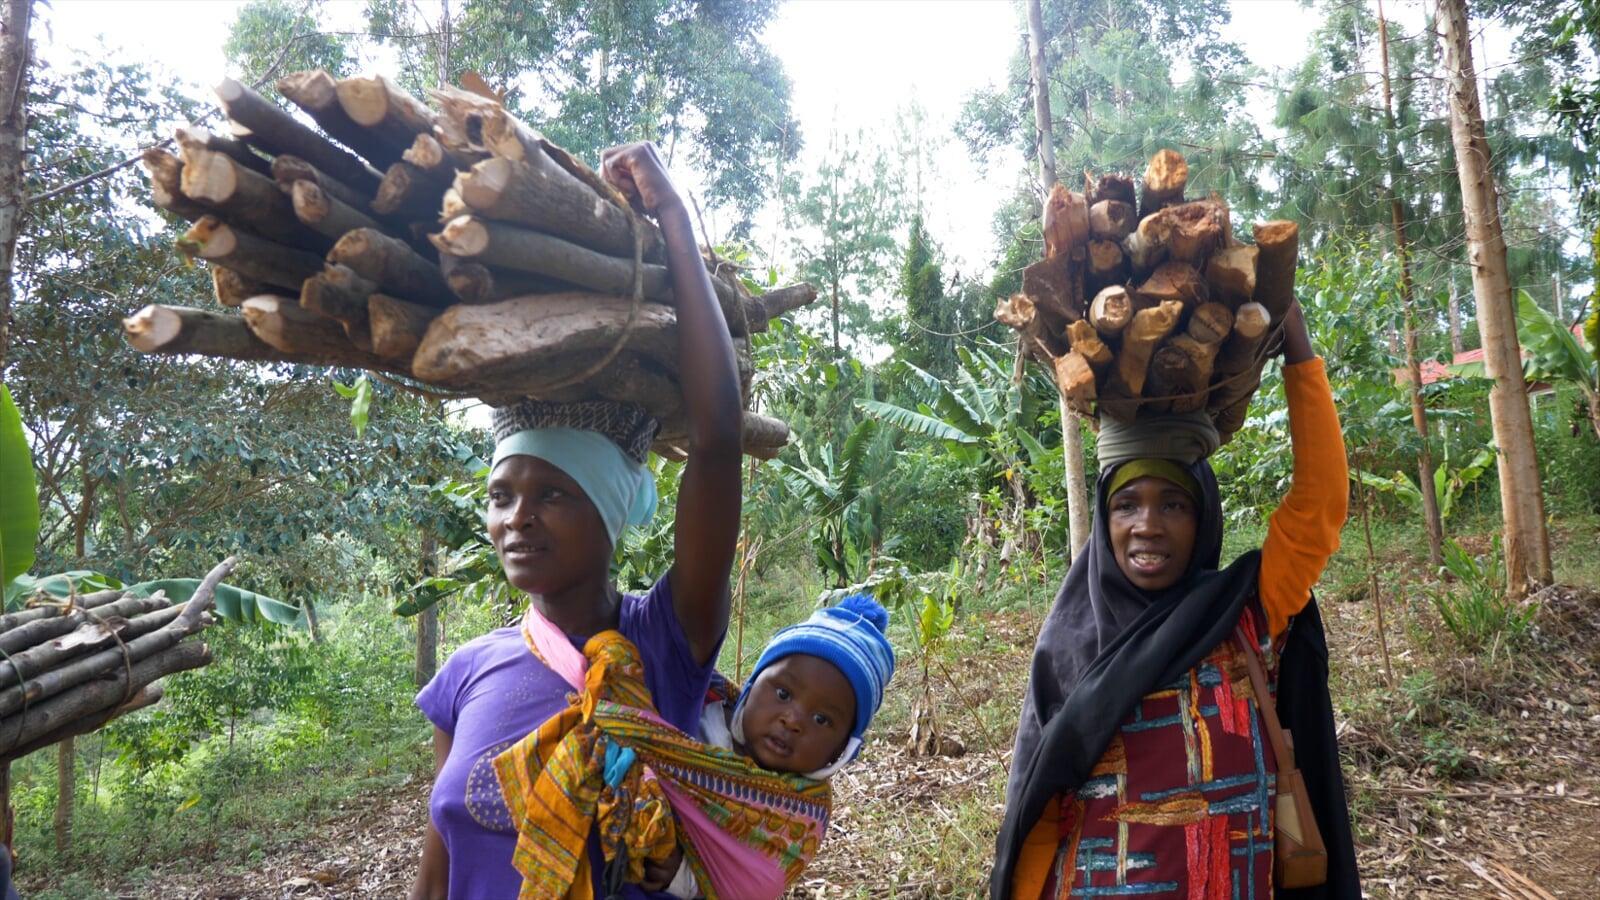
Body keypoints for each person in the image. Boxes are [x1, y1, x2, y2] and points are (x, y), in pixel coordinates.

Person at [409, 141, 745, 900]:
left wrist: (673, 218)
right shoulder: (464, 673)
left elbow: (717, 439)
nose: (517, 519)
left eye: (554, 495)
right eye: (501, 496)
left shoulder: (665, 641)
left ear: (610, 512)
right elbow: (437, 871)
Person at [991, 300, 1362, 899]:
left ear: (1204, 516)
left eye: (1173, 504)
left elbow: (1319, 503)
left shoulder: (1247, 611)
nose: (1147, 525)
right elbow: (1035, 805)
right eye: (1126, 505)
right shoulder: (1072, 640)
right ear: (1104, 520)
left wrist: (1296, 341)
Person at [659, 593, 897, 898]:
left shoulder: (799, 818)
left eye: (821, 719)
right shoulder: (693, 710)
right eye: (783, 694)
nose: (793, 720)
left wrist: (679, 874)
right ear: (752, 685)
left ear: (841, 751)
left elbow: (750, 883)